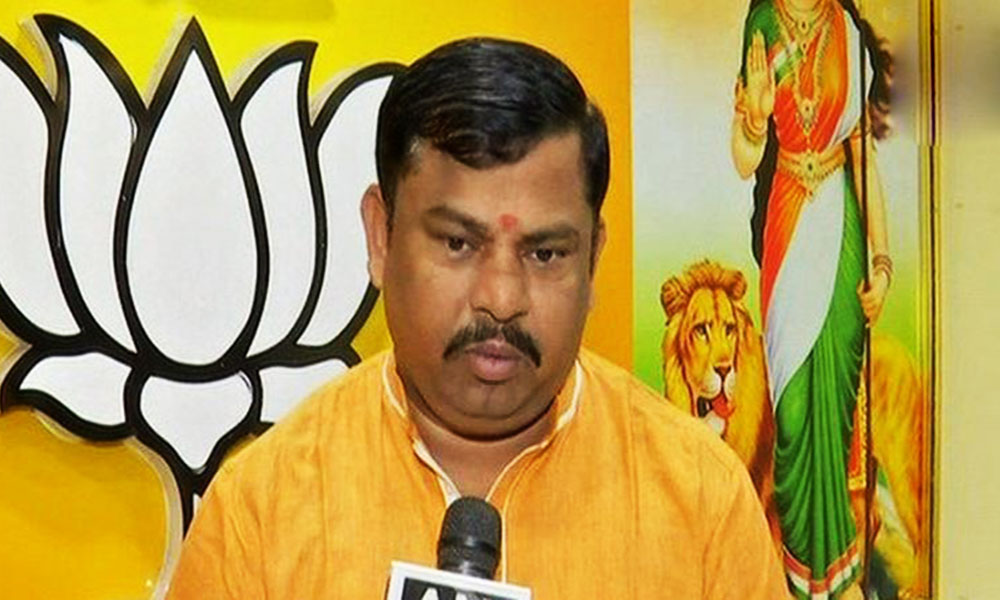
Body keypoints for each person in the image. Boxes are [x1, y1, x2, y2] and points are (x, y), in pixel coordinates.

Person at [167, 37, 787, 599]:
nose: (501, 297)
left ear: (592, 258)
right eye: (458, 244)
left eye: (545, 254)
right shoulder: (261, 510)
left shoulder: (703, 502)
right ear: (381, 237)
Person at [730, 0, 893, 597]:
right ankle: (797, 578)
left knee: (839, 407)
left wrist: (881, 262)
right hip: (788, 219)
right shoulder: (763, 24)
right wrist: (754, 122)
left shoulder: (845, 29)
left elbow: (863, 154)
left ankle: (841, 574)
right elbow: (744, 160)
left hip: (840, 222)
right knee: (795, 415)